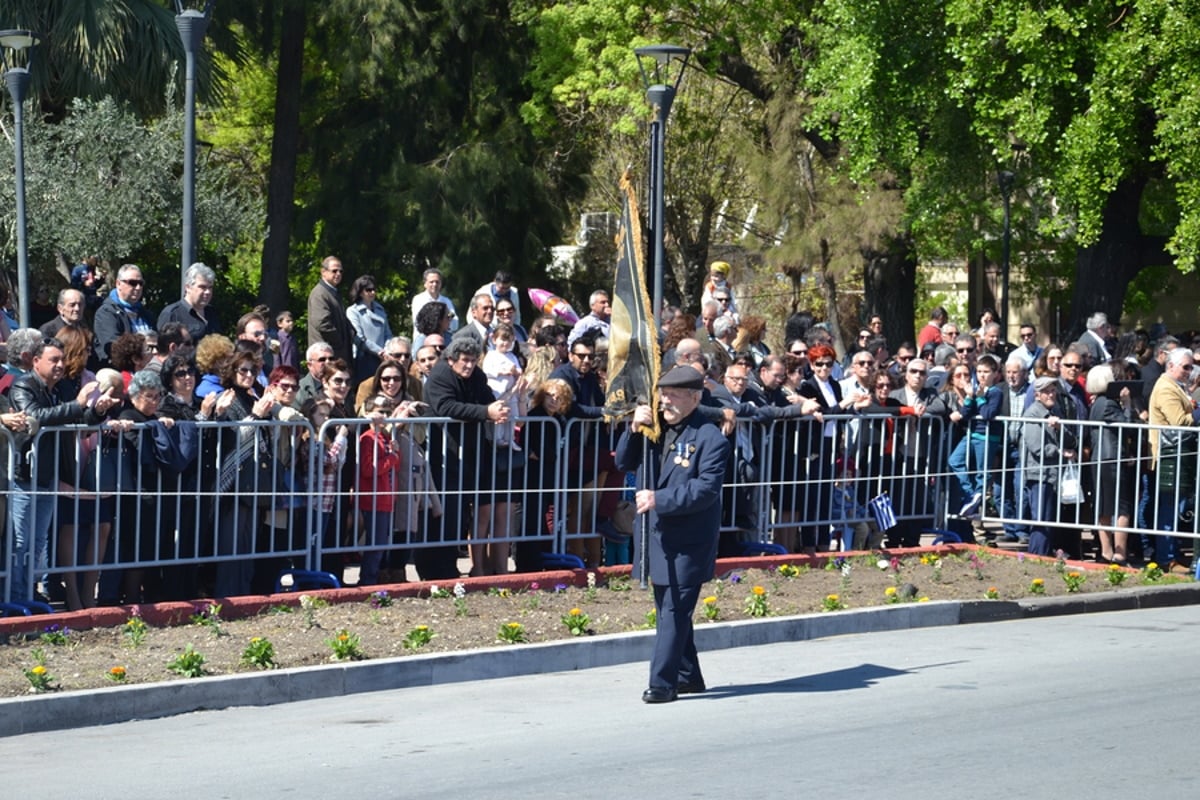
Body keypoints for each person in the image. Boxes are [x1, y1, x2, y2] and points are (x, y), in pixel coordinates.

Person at [614, 366, 730, 704]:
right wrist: (634, 428)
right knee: (670, 608)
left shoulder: (710, 438)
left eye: (675, 395)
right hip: (657, 536)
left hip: (688, 540)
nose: (665, 400)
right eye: (663, 393)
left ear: (694, 398)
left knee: (674, 611)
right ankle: (687, 675)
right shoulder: (655, 430)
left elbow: (705, 490)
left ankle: (662, 683)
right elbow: (623, 461)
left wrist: (658, 499)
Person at [8, 338, 120, 602]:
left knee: (36, 544)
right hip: (25, 476)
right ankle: (14, 597)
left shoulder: (57, 390)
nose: (60, 365)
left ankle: (27, 596)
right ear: (36, 361)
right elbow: (34, 418)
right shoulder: (23, 385)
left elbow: (76, 419)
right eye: (53, 360)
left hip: (47, 476)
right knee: (21, 543)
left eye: (62, 359)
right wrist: (79, 403)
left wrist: (97, 412)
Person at [1147, 347, 1200, 573]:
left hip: (1179, 454)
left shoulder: (1176, 386)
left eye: (1191, 367)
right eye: (1186, 367)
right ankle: (1166, 557)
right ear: (1171, 366)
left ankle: (1174, 553)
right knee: (1168, 509)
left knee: (1177, 507)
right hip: (1169, 455)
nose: (1190, 371)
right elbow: (1179, 421)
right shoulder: (1166, 387)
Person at [1023, 376, 1078, 557]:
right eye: (1046, 391)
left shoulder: (1056, 412)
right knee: (1041, 518)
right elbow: (1036, 446)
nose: (1051, 394)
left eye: (1053, 390)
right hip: (1038, 474)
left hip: (1054, 475)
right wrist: (1061, 452)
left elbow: (1072, 439)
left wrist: (1060, 428)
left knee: (1049, 519)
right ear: (1037, 395)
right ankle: (1036, 555)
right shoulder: (1032, 414)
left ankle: (1044, 554)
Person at [1087, 364, 1135, 564]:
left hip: (1100, 459)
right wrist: (1128, 404)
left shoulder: (1097, 403)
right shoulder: (1109, 404)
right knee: (1121, 508)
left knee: (1104, 507)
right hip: (1112, 459)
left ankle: (1106, 552)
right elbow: (1129, 427)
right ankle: (1119, 553)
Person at [93, 264, 156, 367]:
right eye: (132, 283)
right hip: (120, 371)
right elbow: (113, 346)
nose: (138, 287)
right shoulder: (106, 313)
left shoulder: (146, 313)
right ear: (118, 284)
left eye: (141, 283)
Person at [482, 323, 524, 449]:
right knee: (499, 417)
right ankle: (498, 439)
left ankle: (510, 438)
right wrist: (501, 371)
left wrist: (515, 372)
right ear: (494, 340)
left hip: (511, 392)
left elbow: (519, 370)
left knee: (511, 416)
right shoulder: (491, 355)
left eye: (509, 341)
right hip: (497, 393)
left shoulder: (512, 356)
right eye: (503, 340)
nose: (506, 343)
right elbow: (486, 370)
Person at [307, 255, 354, 364]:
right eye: (334, 271)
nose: (338, 274)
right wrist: (340, 341)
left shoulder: (333, 293)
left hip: (336, 353)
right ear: (323, 272)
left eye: (341, 271)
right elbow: (322, 324)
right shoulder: (319, 294)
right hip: (326, 356)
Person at [347, 275, 394, 383]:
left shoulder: (380, 310)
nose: (372, 292)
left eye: (374, 289)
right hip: (364, 358)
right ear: (360, 292)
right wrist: (379, 352)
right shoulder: (353, 311)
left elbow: (388, 334)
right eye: (368, 290)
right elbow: (358, 337)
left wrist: (387, 351)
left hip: (384, 358)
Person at [158, 263, 219, 343]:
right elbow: (164, 349)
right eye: (202, 287)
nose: (208, 292)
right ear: (188, 287)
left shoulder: (212, 313)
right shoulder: (172, 314)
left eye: (210, 287)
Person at [411, 268, 459, 343]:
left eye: (437, 282)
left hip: (443, 340)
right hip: (423, 340)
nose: (435, 284)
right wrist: (446, 320)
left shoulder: (447, 301)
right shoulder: (418, 300)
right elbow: (419, 322)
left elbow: (455, 323)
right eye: (431, 282)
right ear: (425, 283)